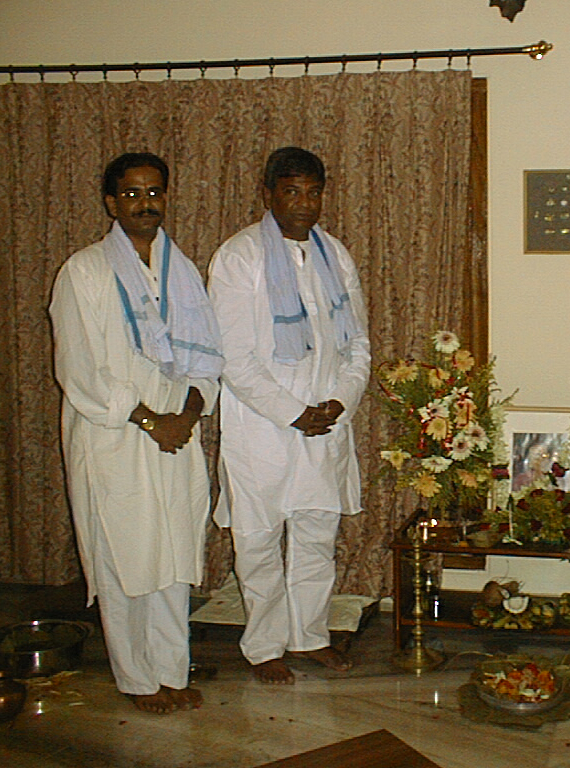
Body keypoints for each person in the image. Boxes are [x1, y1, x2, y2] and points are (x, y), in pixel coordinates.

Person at [49, 152, 223, 714]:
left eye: (153, 192)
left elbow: (208, 359)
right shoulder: (85, 271)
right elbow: (79, 369)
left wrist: (186, 417)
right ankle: (136, 678)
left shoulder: (186, 273)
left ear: (166, 197)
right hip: (116, 437)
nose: (143, 203)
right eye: (130, 193)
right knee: (124, 555)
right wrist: (151, 421)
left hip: (176, 437)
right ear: (110, 202)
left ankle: (172, 670)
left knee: (173, 555)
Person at [208, 147, 370, 684]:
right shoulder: (240, 256)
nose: (305, 203)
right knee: (257, 542)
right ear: (269, 194)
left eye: (314, 191)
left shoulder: (336, 256)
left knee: (316, 536)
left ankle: (310, 636)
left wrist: (341, 402)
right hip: (262, 428)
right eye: (292, 191)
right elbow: (233, 357)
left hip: (326, 422)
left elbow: (359, 346)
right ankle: (264, 646)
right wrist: (292, 412)